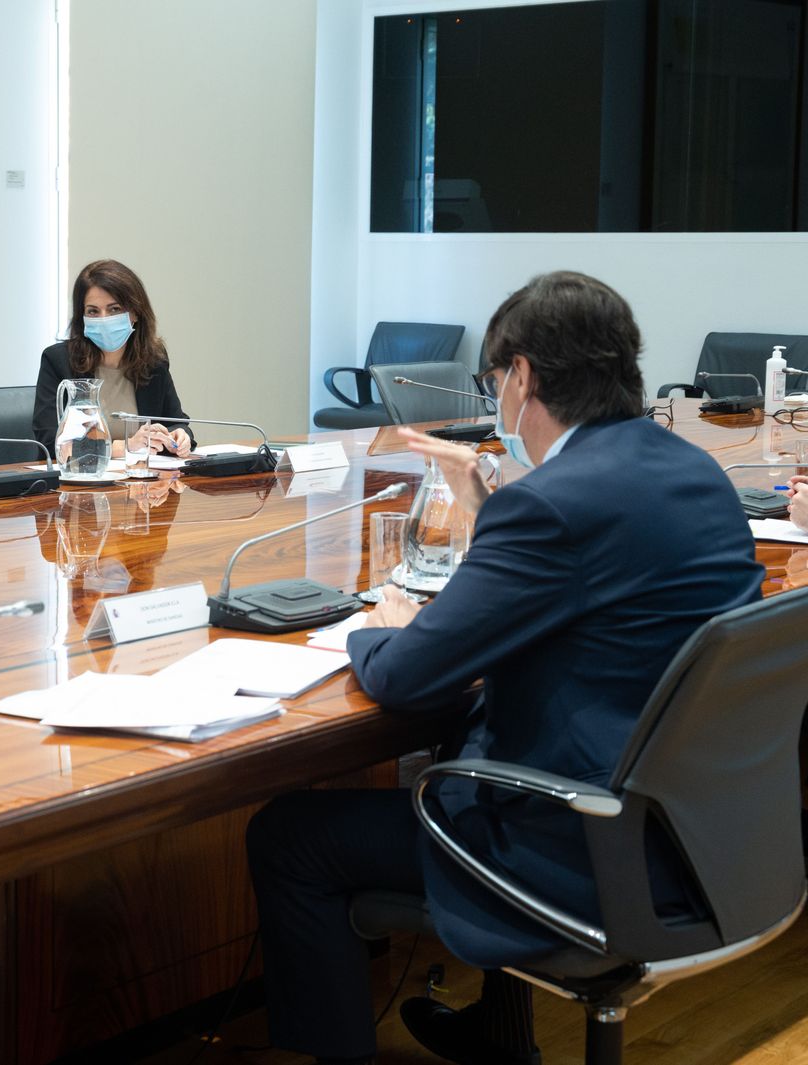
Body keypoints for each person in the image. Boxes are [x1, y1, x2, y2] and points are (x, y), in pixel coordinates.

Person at [245, 271, 765, 1065]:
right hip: (705, 834)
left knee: (288, 836)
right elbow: (594, 594)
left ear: (521, 375)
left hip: (589, 854)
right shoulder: (692, 469)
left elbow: (407, 677)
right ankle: (499, 1034)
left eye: (496, 382)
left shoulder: (554, 503)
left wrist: (377, 627)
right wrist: (493, 515)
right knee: (495, 733)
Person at [31, 259, 193, 463]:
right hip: (77, 487)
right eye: (93, 311)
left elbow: (177, 422)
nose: (104, 318)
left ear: (135, 312)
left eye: (114, 309)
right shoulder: (58, 361)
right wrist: (126, 446)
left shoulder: (153, 362)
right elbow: (51, 443)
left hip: (140, 486)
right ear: (82, 317)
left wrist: (179, 436)